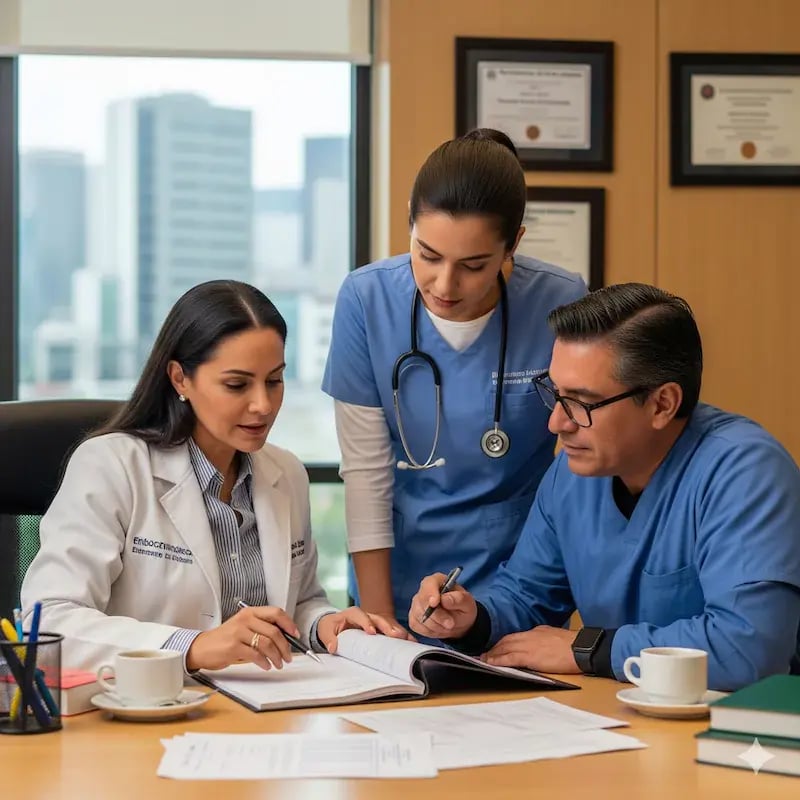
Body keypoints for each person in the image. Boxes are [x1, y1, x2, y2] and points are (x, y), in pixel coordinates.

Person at [408, 283, 800, 690]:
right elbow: (526, 597)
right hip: (620, 714)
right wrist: (472, 618)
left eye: (581, 402)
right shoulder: (573, 474)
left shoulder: (745, 471)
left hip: (740, 734)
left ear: (662, 404)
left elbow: (749, 650)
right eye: (555, 394)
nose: (557, 424)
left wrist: (589, 650)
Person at [21, 280, 407, 673]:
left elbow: (300, 602)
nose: (263, 405)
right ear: (179, 379)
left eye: (274, 381)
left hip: (265, 711)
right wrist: (193, 647)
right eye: (237, 384)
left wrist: (325, 624)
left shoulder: (286, 473)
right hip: (149, 707)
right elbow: (49, 620)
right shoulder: (111, 466)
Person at [322, 129, 587, 630]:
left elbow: (582, 450)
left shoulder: (560, 300)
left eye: (473, 265)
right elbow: (365, 472)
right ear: (409, 220)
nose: (445, 285)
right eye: (427, 255)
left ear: (514, 244)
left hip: (520, 580)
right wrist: (380, 624)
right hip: (396, 572)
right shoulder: (365, 299)